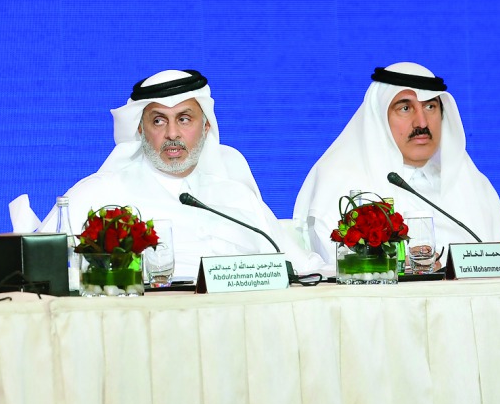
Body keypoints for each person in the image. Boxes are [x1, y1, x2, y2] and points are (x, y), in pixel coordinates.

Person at [38, 69, 322, 278]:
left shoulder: (237, 197)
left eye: (184, 119)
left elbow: (303, 269)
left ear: (206, 126)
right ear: (140, 130)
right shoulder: (99, 194)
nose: (172, 133)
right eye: (158, 121)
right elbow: (33, 267)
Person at [294, 62, 500, 264]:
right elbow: (337, 269)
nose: (422, 122)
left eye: (430, 107)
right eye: (405, 108)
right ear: (379, 118)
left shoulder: (474, 184)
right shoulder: (340, 182)